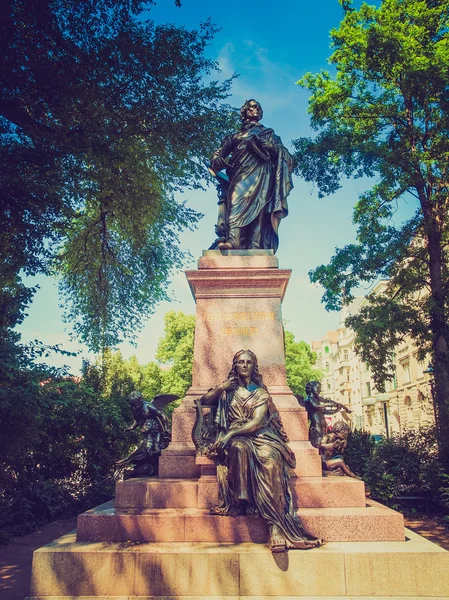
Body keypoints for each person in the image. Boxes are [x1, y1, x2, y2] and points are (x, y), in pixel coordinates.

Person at [199, 350, 324, 553]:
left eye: (249, 362)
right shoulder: (227, 391)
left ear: (254, 366)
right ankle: (244, 499)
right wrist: (222, 387)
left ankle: (275, 526)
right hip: (238, 438)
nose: (245, 365)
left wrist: (230, 435)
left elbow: (257, 422)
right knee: (238, 448)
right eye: (241, 362)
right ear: (235, 366)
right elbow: (204, 402)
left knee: (269, 458)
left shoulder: (260, 392)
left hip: (260, 434)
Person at [209, 99, 293, 252]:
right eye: (253, 107)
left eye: (259, 108)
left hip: (263, 176)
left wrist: (273, 148)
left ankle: (255, 244)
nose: (256, 110)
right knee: (235, 203)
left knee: (260, 207)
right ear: (245, 111)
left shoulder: (270, 135)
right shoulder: (234, 137)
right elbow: (217, 156)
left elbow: (287, 157)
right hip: (239, 176)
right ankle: (233, 240)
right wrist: (217, 160)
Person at [303, 381, 352, 448]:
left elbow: (326, 411)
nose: (319, 390)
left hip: (323, 428)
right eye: (317, 388)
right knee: (320, 445)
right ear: (311, 388)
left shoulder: (318, 399)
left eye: (320, 388)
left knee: (324, 445)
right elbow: (317, 406)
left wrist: (336, 409)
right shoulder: (309, 399)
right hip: (316, 428)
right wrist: (328, 404)